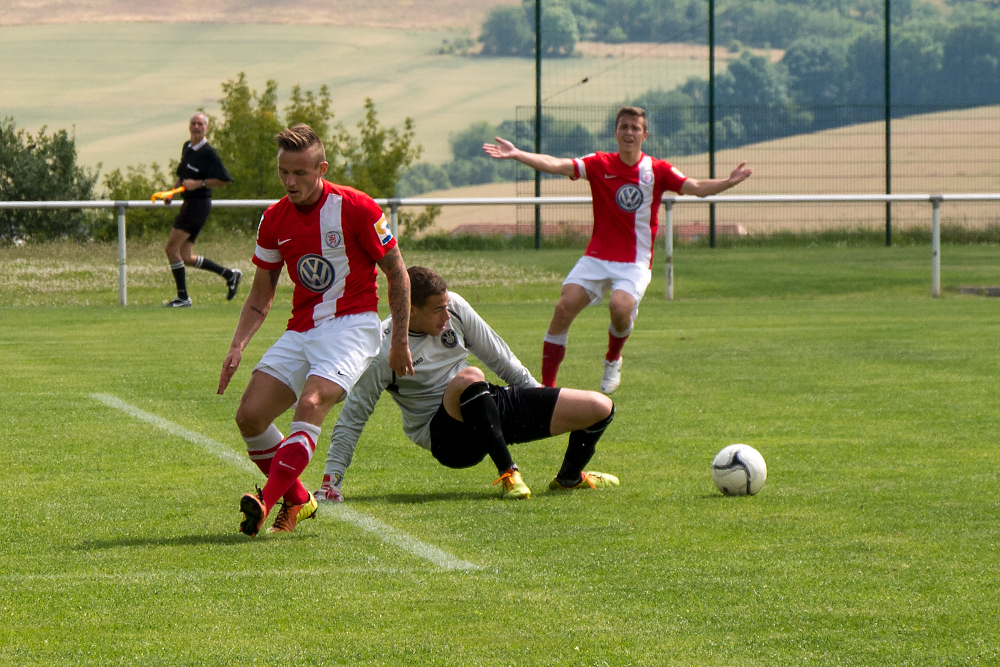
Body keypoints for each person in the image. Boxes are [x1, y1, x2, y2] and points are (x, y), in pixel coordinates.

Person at [217, 124, 413, 536]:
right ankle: (300, 499)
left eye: (300, 173)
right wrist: (237, 345)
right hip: (302, 328)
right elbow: (261, 292)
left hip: (353, 326)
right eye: (283, 172)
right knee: (250, 417)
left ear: (321, 168)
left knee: (311, 402)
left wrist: (398, 341)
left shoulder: (357, 207)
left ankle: (266, 502)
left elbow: (398, 274)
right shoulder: (273, 219)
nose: (290, 181)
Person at [483, 106, 753, 394]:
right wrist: (517, 153)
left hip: (634, 261)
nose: (629, 132)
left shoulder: (657, 170)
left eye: (635, 128)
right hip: (597, 257)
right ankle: (545, 390)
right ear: (615, 132)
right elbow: (556, 164)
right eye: (624, 126)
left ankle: (613, 358)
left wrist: (727, 182)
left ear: (644, 135)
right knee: (563, 308)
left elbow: (696, 186)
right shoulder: (600, 163)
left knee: (620, 307)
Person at [315, 266, 618, 503]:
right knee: (470, 377)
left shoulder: (455, 307)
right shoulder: (383, 348)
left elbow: (500, 357)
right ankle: (509, 474)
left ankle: (569, 478)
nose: (447, 316)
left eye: (446, 307)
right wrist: (332, 480)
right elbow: (353, 417)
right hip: (447, 440)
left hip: (484, 404)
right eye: (437, 310)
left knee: (599, 407)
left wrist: (538, 397)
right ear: (411, 310)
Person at [163, 111, 242, 308]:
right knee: (186, 256)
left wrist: (199, 184)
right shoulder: (187, 147)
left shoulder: (208, 152)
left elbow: (225, 179)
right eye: (193, 123)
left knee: (171, 248)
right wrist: (171, 192)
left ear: (207, 128)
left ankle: (183, 298)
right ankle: (229, 274)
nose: (196, 127)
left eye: (200, 124)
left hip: (198, 205)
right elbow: (182, 176)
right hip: (188, 204)